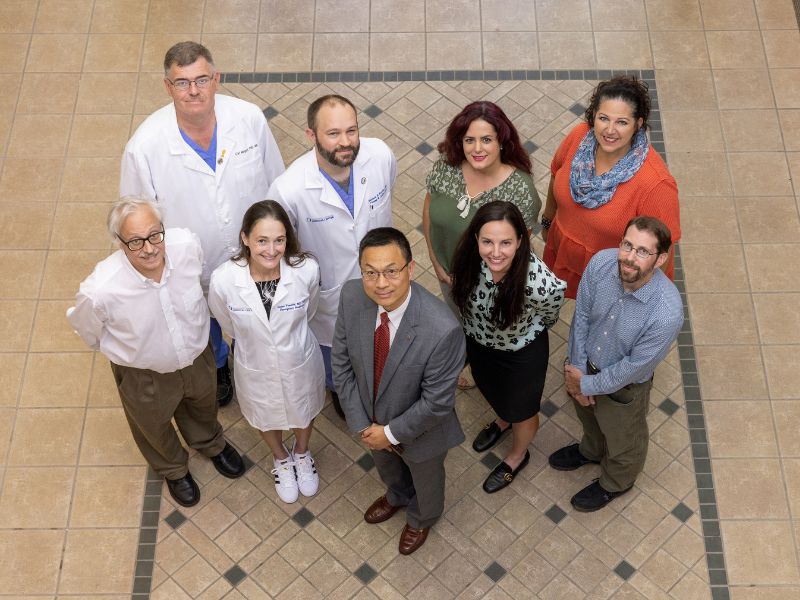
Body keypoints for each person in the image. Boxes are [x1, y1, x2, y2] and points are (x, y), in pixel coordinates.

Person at [120, 41, 285, 407]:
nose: (193, 91)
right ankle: (220, 364)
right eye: (182, 83)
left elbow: (276, 182)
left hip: (254, 255)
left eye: (201, 79)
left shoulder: (248, 119)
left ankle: (252, 358)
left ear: (216, 79)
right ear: (168, 87)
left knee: (256, 312)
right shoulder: (144, 147)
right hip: (192, 266)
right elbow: (136, 220)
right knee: (203, 321)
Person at [67, 198, 245, 508]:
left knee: (203, 405)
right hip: (143, 373)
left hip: (195, 355)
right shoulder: (100, 290)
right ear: (119, 243)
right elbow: (88, 331)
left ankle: (210, 443)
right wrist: (130, 353)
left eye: (154, 235)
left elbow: (200, 283)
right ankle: (173, 468)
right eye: (135, 241)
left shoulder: (187, 246)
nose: (149, 248)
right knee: (152, 424)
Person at [332, 228, 465, 555]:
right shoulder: (351, 296)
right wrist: (364, 425)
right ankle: (397, 496)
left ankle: (423, 517)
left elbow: (436, 403)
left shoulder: (442, 330)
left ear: (410, 268)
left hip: (422, 431)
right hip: (369, 422)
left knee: (427, 479)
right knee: (389, 469)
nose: (381, 283)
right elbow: (341, 363)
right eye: (371, 273)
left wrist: (389, 433)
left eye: (392, 271)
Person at [268, 94, 396, 418]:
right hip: (330, 300)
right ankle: (342, 391)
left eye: (351, 131)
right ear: (311, 135)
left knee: (382, 342)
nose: (346, 142)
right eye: (334, 133)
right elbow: (282, 252)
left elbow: (386, 192)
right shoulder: (289, 190)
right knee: (336, 357)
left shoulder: (379, 155)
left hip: (381, 282)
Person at [549, 216, 683, 511]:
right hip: (584, 367)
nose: (629, 258)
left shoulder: (666, 312)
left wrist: (585, 384)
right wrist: (579, 368)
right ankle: (592, 450)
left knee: (624, 440)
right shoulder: (601, 264)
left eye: (642, 252)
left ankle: (616, 482)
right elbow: (581, 316)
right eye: (627, 245)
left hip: (624, 388)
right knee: (588, 419)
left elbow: (632, 368)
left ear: (660, 259)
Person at [208, 201, 324, 504]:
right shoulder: (223, 281)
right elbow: (226, 324)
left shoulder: (306, 271)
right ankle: (281, 459)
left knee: (303, 407)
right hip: (255, 364)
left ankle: (301, 452)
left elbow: (309, 311)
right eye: (262, 240)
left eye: (279, 240)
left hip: (299, 359)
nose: (272, 250)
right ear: (245, 238)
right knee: (264, 415)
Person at [422, 100, 541, 388]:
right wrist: (437, 264)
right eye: (469, 140)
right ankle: (468, 353)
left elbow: (519, 248)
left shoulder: (519, 189)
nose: (477, 148)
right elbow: (428, 211)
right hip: (448, 275)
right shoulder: (445, 169)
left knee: (489, 331)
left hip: (491, 286)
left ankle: (484, 365)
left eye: (486, 139)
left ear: (502, 142)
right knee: (459, 319)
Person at [450, 201, 565, 493]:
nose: (496, 252)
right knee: (493, 390)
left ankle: (517, 456)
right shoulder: (468, 261)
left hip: (520, 354)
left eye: (506, 242)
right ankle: (503, 420)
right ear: (476, 238)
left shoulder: (539, 283)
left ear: (520, 241)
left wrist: (527, 335)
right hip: (480, 343)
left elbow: (550, 313)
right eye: (487, 241)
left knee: (523, 410)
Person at [540, 75, 680, 299]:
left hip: (612, 274)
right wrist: (547, 222)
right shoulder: (579, 137)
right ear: (593, 116)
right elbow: (556, 174)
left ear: (638, 124)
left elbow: (663, 248)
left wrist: (639, 297)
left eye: (622, 122)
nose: (610, 130)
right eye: (604, 118)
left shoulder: (656, 184)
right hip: (564, 251)